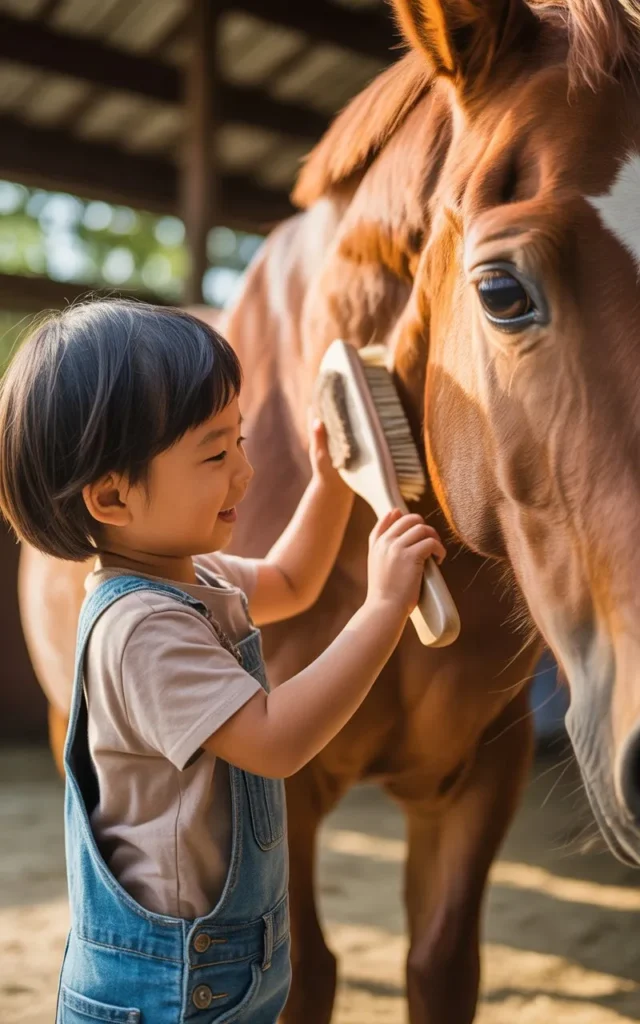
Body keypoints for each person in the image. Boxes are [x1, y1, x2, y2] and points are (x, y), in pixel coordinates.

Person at [0, 300, 445, 1024]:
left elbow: (292, 581)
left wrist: (329, 483)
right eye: (215, 455)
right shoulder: (142, 628)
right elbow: (276, 740)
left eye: (238, 439)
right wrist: (384, 607)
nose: (245, 470)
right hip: (168, 985)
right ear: (112, 495)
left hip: (222, 962)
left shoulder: (192, 574)